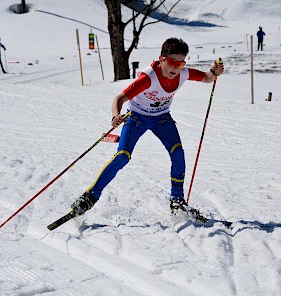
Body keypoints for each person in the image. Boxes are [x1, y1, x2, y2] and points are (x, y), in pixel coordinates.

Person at [70, 37, 225, 215]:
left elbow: (206, 78)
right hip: (136, 117)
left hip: (161, 119)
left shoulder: (183, 73)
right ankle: (89, 197)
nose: (176, 67)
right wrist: (115, 116)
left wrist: (214, 71)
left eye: (181, 63)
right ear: (161, 59)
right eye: (173, 62)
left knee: (178, 153)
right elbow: (119, 99)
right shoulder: (148, 78)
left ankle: (177, 200)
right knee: (122, 156)